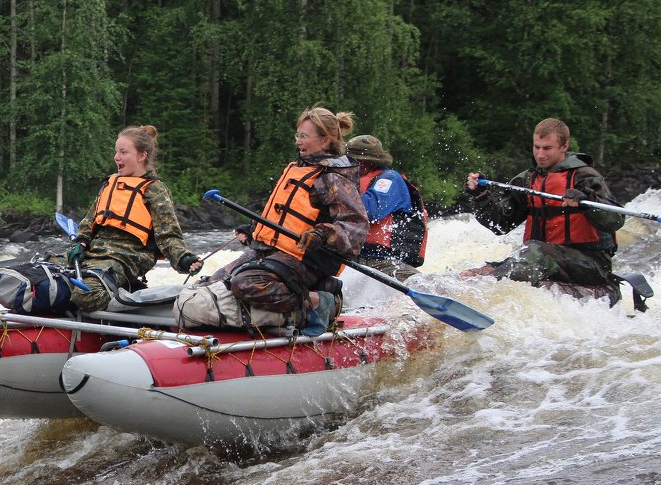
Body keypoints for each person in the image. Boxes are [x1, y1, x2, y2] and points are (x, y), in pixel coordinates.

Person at [218, 107, 368, 333]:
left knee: (245, 284)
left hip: (305, 257)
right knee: (217, 281)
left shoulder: (333, 178)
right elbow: (282, 215)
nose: (298, 141)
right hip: (272, 251)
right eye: (297, 135)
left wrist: (323, 233)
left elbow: (355, 226)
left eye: (304, 136)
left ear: (325, 140)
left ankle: (319, 302)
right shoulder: (298, 169)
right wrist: (253, 230)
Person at [463, 118, 623, 289]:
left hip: (591, 262)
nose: (540, 154)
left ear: (564, 146)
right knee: (487, 268)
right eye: (536, 147)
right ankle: (472, 286)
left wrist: (587, 202)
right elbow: (500, 225)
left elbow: (616, 220)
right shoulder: (526, 180)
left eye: (547, 148)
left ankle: (485, 286)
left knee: (534, 251)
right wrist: (480, 196)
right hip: (546, 257)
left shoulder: (585, 177)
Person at [62, 125, 202, 312]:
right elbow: (89, 221)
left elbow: (168, 235)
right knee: (44, 275)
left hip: (129, 255)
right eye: (116, 151)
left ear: (141, 156)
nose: (116, 157)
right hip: (96, 252)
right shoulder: (110, 183)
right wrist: (81, 242)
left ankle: (127, 294)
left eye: (123, 152)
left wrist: (184, 259)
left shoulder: (154, 189)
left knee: (86, 294)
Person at [346, 134, 429, 282]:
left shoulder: (389, 179)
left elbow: (369, 211)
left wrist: (343, 187)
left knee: (423, 286)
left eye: (354, 161)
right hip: (355, 259)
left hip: (386, 262)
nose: (349, 165)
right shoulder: (347, 180)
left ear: (369, 163)